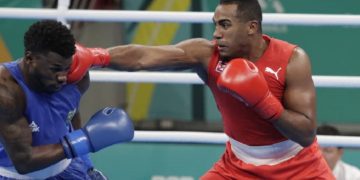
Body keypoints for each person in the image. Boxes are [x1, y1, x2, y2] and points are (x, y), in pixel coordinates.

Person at [68, 0, 334, 179]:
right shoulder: (207, 55)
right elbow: (143, 56)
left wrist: (262, 100)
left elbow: (306, 134)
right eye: (215, 24)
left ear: (251, 27)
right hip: (238, 166)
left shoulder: (291, 59)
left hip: (299, 167)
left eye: (225, 25)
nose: (216, 33)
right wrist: (97, 56)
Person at [0, 20, 134, 179]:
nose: (63, 77)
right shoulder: (6, 91)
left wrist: (86, 163)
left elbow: (69, 115)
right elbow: (24, 162)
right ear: (30, 59)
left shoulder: (75, 76)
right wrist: (85, 140)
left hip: (66, 168)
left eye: (67, 68)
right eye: (55, 69)